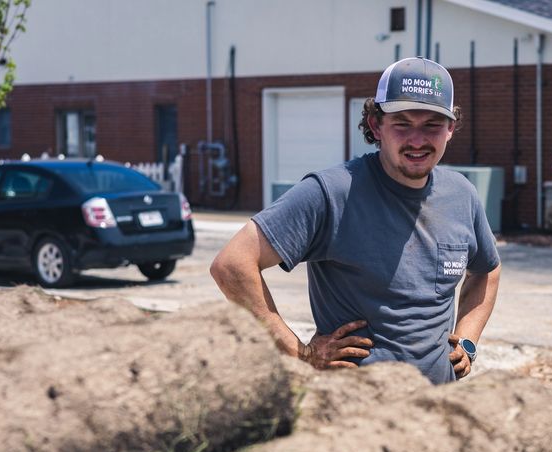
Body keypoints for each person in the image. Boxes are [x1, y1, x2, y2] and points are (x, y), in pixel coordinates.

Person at [211, 57, 501, 384]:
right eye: (402, 123)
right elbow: (232, 265)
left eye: (432, 124)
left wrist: (467, 340)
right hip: (354, 414)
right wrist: (299, 353)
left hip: (435, 413)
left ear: (450, 128)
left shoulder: (461, 194)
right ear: (376, 125)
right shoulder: (331, 192)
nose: (417, 140)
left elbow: (487, 269)